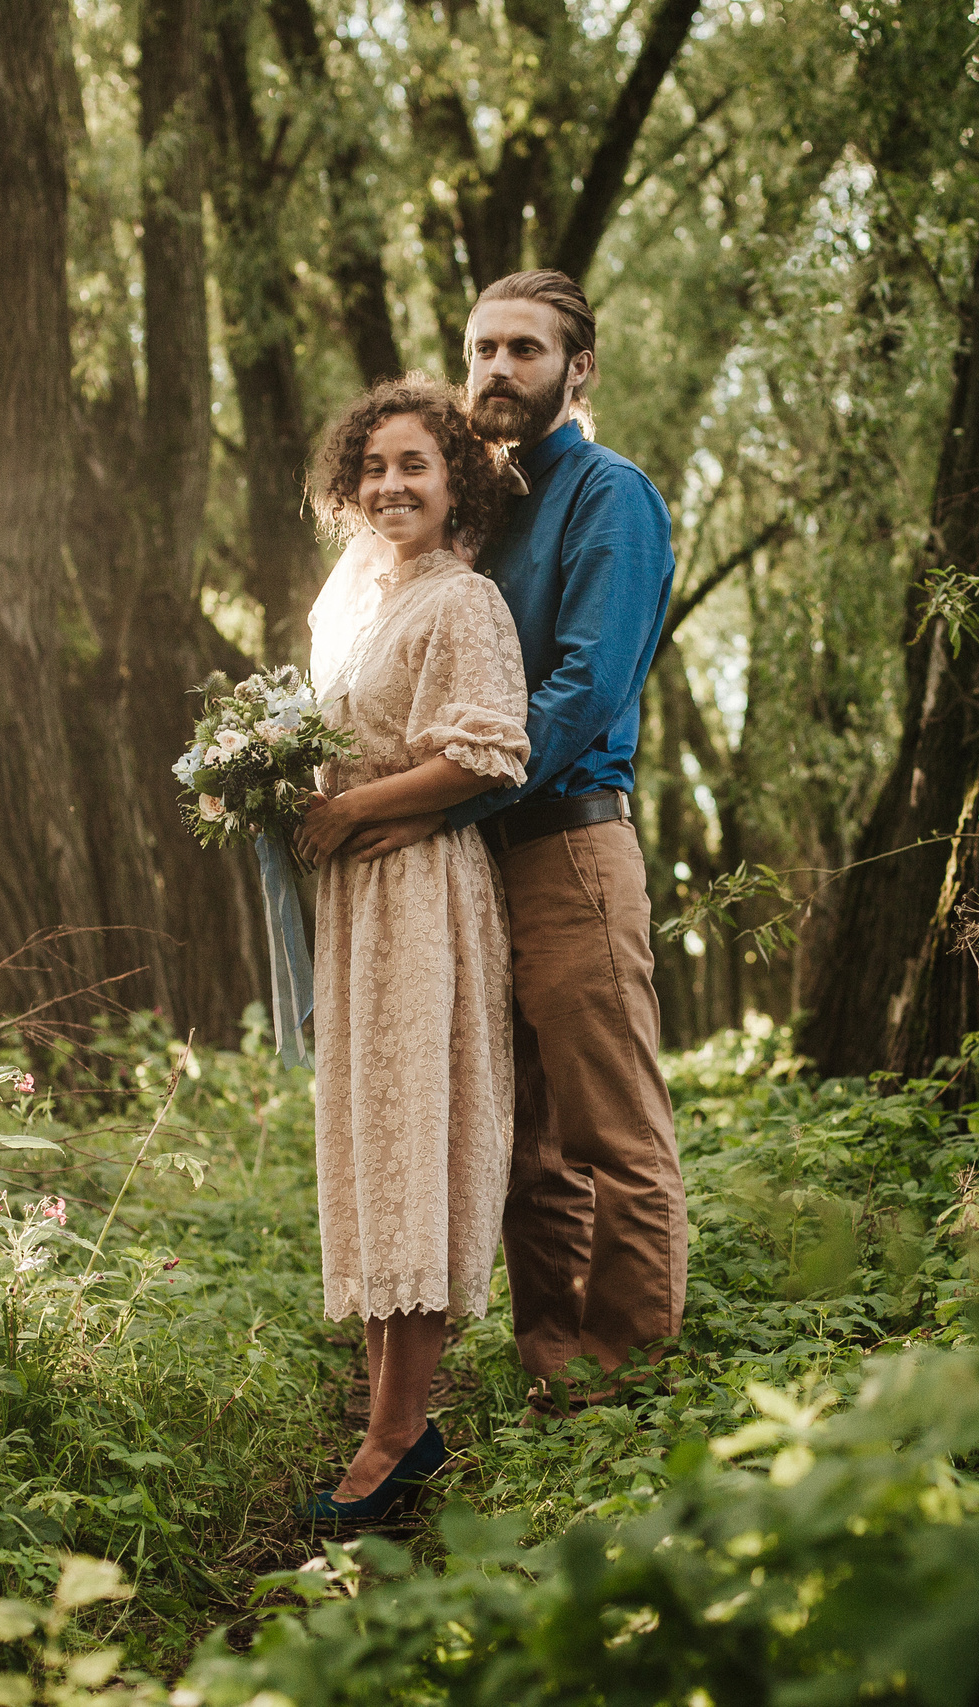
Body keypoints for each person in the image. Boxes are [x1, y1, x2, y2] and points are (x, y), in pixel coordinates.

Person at [337, 270, 685, 1410]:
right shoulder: (482, 507)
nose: (495, 370)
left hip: (568, 844)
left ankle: (626, 1373)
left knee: (609, 1125)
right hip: (473, 858)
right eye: (481, 349)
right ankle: (554, 1368)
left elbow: (584, 688)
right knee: (528, 1142)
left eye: (523, 351)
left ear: (576, 369)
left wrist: (435, 799)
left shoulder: (610, 496)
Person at [292, 376, 529, 1521]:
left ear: (453, 485)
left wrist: (352, 811)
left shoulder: (463, 602)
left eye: (415, 467)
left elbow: (487, 758)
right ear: (352, 483)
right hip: (351, 899)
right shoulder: (346, 601)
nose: (392, 485)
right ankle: (401, 1421)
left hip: (422, 886)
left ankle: (393, 1438)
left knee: (419, 1129)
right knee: (373, 1133)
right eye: (375, 467)